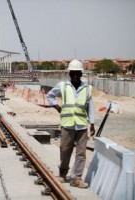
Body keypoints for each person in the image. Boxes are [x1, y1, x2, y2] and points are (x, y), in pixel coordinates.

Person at [46, 59, 95, 189]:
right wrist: (56, 106)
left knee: (81, 153)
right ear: (69, 73)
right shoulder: (62, 86)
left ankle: (76, 178)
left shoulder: (87, 88)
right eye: (72, 73)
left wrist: (92, 123)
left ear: (81, 74)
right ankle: (62, 173)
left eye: (77, 73)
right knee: (65, 150)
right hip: (67, 124)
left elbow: (90, 107)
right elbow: (50, 95)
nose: (75, 75)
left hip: (82, 125)